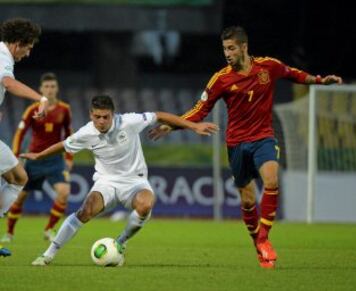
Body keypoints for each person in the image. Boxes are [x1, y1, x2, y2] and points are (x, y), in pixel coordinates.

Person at [149, 26, 342, 269]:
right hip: (237, 144)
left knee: (271, 179)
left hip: (264, 138)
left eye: (231, 48)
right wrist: (172, 126)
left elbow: (293, 74)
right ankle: (258, 246)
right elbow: (200, 109)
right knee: (248, 200)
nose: (227, 54)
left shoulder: (268, 67)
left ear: (244, 47)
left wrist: (320, 81)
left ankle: (264, 239)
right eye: (224, 49)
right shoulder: (221, 79)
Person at [21, 95, 218, 266]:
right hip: (106, 182)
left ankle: (120, 242)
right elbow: (64, 145)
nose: (101, 121)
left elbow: (158, 115)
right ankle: (48, 254)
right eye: (97, 117)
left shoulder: (128, 121)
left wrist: (193, 125)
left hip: (135, 181)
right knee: (85, 211)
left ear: (112, 115)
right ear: (91, 115)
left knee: (146, 204)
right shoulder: (86, 133)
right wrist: (39, 156)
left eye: (105, 117)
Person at [1, 72, 73, 243]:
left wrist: (69, 157)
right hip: (34, 159)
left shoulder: (64, 109)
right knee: (19, 198)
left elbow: (69, 134)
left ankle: (49, 229)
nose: (49, 90)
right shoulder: (33, 110)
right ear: (41, 89)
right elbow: (20, 132)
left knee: (64, 193)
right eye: (46, 87)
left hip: (55, 159)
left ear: (57, 89)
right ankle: (9, 233)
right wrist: (17, 155)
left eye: (52, 86)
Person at [0, 18, 49, 257]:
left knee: (16, 176)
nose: (28, 54)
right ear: (18, 43)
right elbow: (8, 83)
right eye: (28, 48)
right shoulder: (3, 56)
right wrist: (40, 98)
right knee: (19, 177)